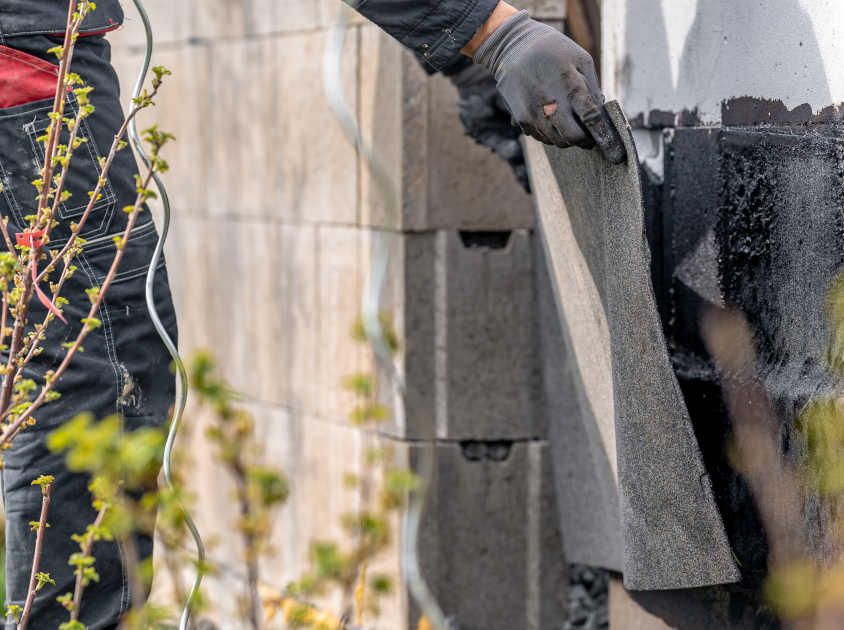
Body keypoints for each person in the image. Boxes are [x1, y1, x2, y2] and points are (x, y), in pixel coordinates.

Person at [0, 0, 616, 627]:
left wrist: (465, 46)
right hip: (21, 65)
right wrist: (490, 31)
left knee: (70, 362)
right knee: (93, 371)